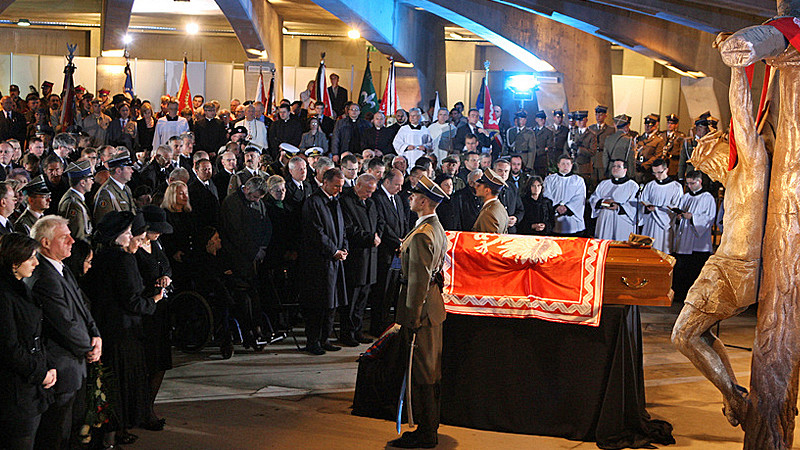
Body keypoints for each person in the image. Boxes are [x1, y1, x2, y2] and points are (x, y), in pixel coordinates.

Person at [83, 211, 162, 447]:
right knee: (120, 386)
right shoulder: (123, 260)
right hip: (124, 332)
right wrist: (153, 301)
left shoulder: (100, 257)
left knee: (109, 384)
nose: (130, 236)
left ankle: (109, 436)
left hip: (105, 329)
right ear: (116, 236)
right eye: (127, 233)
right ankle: (111, 438)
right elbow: (132, 301)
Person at [27, 216, 101, 449]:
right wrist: (89, 346)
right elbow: (64, 324)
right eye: (64, 237)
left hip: (74, 363)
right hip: (61, 367)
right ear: (46, 243)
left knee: (70, 430)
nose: (72, 241)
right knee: (56, 433)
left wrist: (96, 335)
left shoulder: (61, 268)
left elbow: (83, 307)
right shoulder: (44, 276)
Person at [387, 175, 448, 449]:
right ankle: (428, 428)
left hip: (421, 313)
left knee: (423, 373)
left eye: (414, 196)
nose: (410, 198)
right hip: (432, 308)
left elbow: (418, 282)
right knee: (428, 371)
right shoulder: (434, 227)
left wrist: (410, 319)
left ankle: (426, 433)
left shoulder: (423, 233)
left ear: (423, 202)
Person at [0, 233, 56, 450]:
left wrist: (47, 367)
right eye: (31, 257)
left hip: (30, 387)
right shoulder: (5, 295)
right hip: (16, 392)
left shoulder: (20, 288)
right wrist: (41, 372)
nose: (36, 263)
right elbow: (9, 347)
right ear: (15, 262)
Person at [299, 168, 348, 355]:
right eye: (336, 186)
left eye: (341, 186)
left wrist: (344, 248)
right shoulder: (313, 202)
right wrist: (333, 251)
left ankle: (325, 338)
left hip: (335, 261)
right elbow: (316, 232)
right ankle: (313, 341)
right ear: (325, 182)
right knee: (318, 303)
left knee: (332, 303)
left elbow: (342, 228)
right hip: (319, 263)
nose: (339, 190)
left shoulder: (336, 201)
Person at [219, 176, 272, 348]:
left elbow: (266, 225)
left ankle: (257, 328)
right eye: (254, 197)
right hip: (237, 258)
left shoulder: (258, 202)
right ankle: (247, 331)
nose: (256, 201)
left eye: (259, 198)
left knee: (255, 294)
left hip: (254, 258)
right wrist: (253, 251)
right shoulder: (232, 203)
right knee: (243, 296)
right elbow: (235, 233)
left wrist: (263, 247)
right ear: (247, 189)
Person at [135, 206, 174, 431]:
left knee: (160, 362)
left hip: (160, 311)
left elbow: (166, 265)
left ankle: (148, 406)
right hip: (145, 313)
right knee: (148, 362)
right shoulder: (135, 250)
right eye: (155, 229)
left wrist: (166, 277)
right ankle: (143, 410)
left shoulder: (157, 244)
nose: (159, 234)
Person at [339, 173, 382, 347]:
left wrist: (377, 236)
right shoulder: (346, 202)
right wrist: (370, 238)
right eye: (367, 191)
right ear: (357, 186)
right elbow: (348, 229)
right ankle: (347, 333)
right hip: (356, 259)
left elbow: (379, 221)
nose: (370, 195)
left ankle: (357, 330)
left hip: (370, 258)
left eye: (372, 192)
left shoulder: (370, 202)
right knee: (352, 299)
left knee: (363, 299)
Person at [671, 171, 716, 301]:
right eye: (688, 184)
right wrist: (678, 218)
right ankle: (680, 296)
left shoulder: (707, 198)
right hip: (684, 240)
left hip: (698, 242)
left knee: (695, 270)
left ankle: (695, 298)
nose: (689, 186)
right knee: (682, 269)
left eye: (692, 183)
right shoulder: (685, 197)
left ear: (699, 181)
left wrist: (692, 217)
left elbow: (709, 218)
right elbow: (677, 217)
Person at [639, 158, 683, 253]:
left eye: (659, 172)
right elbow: (643, 200)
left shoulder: (676, 187)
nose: (657, 176)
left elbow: (675, 207)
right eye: (654, 173)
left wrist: (657, 210)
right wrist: (646, 208)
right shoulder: (650, 185)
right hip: (650, 223)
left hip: (665, 225)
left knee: (662, 251)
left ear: (666, 170)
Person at [589, 159, 639, 240]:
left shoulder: (632, 186)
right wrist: (602, 202)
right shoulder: (604, 184)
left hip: (622, 222)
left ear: (625, 170)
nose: (615, 168)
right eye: (613, 166)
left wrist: (618, 207)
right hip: (604, 220)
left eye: (618, 166)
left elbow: (635, 205)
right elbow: (593, 198)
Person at [543, 155, 586, 236]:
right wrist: (556, 206)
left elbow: (580, 197)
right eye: (563, 164)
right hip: (555, 218)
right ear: (558, 165)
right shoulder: (550, 179)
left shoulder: (578, 180)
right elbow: (547, 194)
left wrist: (568, 208)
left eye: (568, 164)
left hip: (573, 220)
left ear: (572, 165)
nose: (565, 166)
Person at [58, 160, 94, 241]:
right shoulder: (73, 204)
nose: (92, 182)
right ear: (82, 183)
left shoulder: (76, 199)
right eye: (90, 179)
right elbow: (77, 236)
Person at [565, 110, 598, 190]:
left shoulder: (591, 135)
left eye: (581, 120)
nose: (579, 122)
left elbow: (593, 151)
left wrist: (579, 149)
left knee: (584, 189)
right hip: (573, 166)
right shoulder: (572, 132)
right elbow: (566, 148)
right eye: (577, 120)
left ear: (586, 120)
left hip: (584, 167)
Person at [472, 168, 509, 234]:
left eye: (479, 185)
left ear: (487, 190)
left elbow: (488, 239)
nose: (476, 187)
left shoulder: (488, 213)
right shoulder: (499, 207)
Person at [493, 158, 524, 234]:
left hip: (511, 231)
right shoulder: (487, 188)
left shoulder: (513, 187)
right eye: (500, 170)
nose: (503, 174)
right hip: (494, 230)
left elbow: (520, 209)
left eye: (506, 171)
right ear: (493, 171)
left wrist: (515, 218)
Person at [187, 158, 219, 228]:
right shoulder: (192, 188)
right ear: (197, 171)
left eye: (209, 169)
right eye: (204, 169)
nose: (207, 172)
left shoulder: (213, 184)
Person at [634, 113, 666, 185]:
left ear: (655, 126)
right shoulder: (640, 138)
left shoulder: (658, 140)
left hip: (649, 170)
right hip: (638, 169)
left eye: (650, 125)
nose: (647, 127)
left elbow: (657, 156)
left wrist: (645, 165)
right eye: (646, 125)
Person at [588, 105, 615, 181]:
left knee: (603, 180)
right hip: (593, 158)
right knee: (593, 181)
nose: (598, 117)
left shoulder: (610, 130)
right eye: (596, 114)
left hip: (603, 158)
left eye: (600, 115)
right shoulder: (590, 128)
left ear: (605, 116)